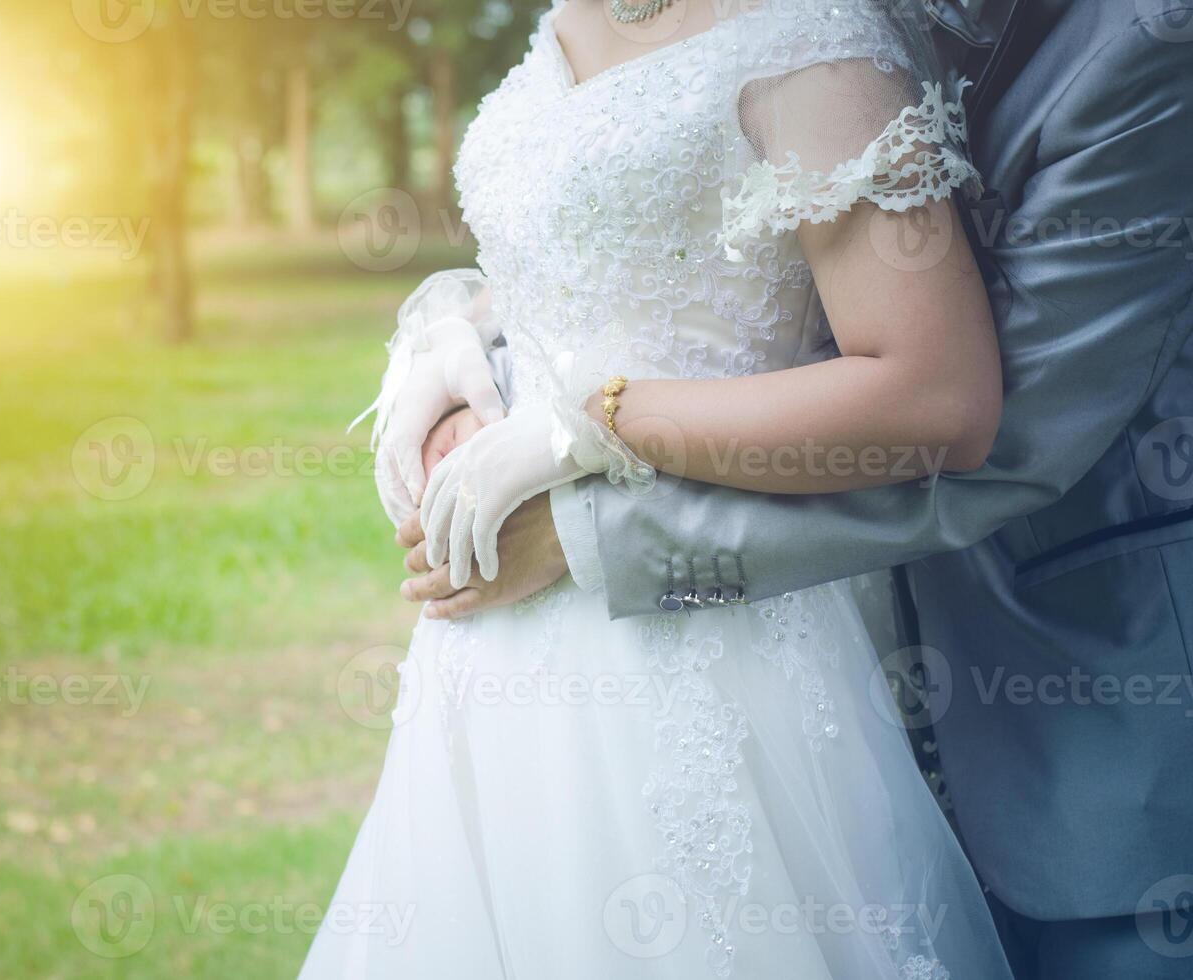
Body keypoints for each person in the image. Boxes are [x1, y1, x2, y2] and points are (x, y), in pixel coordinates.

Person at [389, 1, 1193, 978]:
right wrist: (456, 334)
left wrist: (590, 492)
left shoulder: (1144, 46)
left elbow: (988, 427)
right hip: (552, 672)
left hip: (1077, 704)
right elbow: (639, 223)